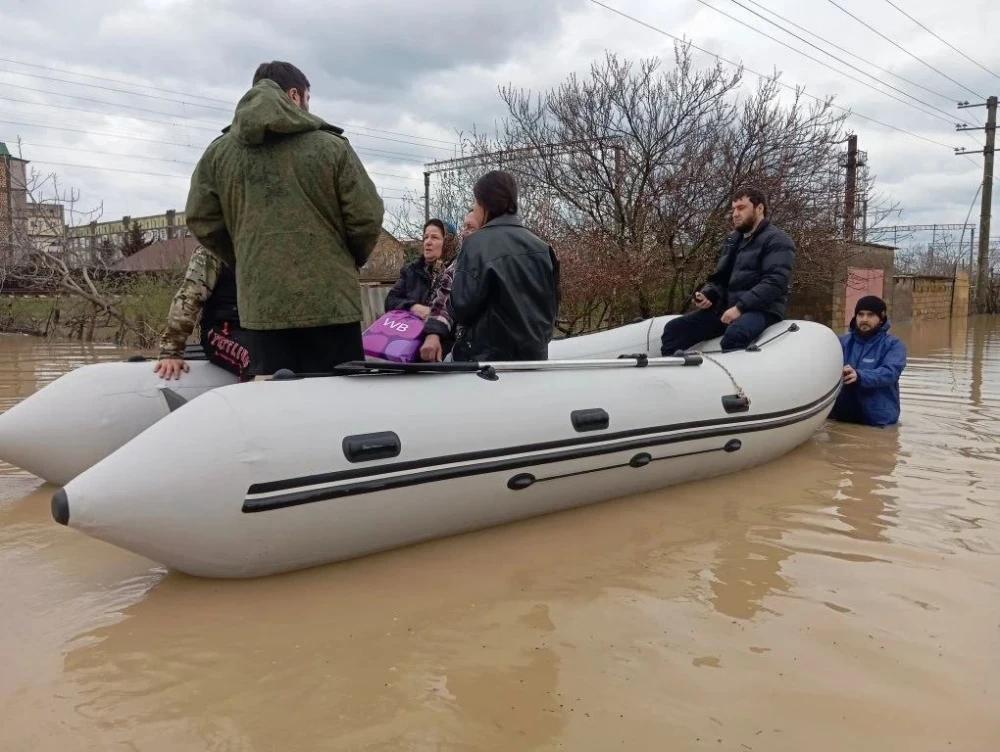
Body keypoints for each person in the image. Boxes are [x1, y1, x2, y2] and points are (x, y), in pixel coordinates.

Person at [185, 60, 385, 377]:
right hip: (332, 306)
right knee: (340, 408)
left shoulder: (217, 154)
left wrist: (247, 260)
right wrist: (347, 260)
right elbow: (367, 217)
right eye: (308, 98)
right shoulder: (332, 147)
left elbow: (201, 220)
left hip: (261, 309)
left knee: (277, 411)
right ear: (294, 95)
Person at [660, 186, 796, 355]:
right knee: (674, 330)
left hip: (762, 311)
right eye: (733, 209)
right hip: (729, 309)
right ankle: (671, 377)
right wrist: (708, 294)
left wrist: (740, 307)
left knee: (735, 335)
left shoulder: (778, 240)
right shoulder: (732, 241)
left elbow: (775, 282)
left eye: (741, 208)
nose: (735, 214)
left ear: (759, 208)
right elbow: (720, 279)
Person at [449, 170, 559, 362]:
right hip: (534, 362)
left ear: (484, 204)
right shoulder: (542, 248)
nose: (474, 208)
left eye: (475, 202)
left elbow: (461, 307)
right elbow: (551, 311)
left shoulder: (476, 244)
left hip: (486, 365)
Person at [154, 245, 253, 381]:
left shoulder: (273, 250)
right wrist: (171, 351)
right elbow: (189, 298)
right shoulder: (213, 251)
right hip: (223, 330)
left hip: (262, 331)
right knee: (257, 360)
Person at [830, 295, 906, 427]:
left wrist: (859, 376)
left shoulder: (894, 345)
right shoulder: (841, 342)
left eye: (870, 315)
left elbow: (890, 372)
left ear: (881, 318)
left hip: (878, 420)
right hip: (840, 417)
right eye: (860, 314)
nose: (864, 319)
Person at [420, 209, 482, 362]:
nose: (464, 232)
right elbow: (445, 301)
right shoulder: (414, 269)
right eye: (463, 227)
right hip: (446, 341)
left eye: (470, 227)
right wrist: (433, 333)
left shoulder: (471, 262)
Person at [384, 218, 453, 319]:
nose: (427, 242)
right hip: (411, 330)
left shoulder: (456, 272)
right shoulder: (412, 270)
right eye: (426, 237)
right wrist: (414, 307)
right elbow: (390, 301)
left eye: (434, 237)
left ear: (448, 242)